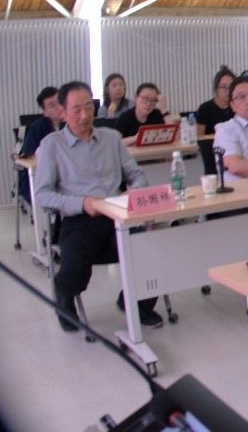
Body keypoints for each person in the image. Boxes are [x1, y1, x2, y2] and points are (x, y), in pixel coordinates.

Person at [34, 81, 162, 331]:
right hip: (79, 220)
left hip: (117, 214)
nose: (84, 115)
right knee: (73, 268)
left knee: (151, 252)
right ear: (62, 112)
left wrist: (135, 190)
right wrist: (81, 203)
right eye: (76, 110)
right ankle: (64, 299)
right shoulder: (52, 145)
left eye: (88, 107)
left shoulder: (111, 138)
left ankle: (135, 303)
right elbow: (42, 195)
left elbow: (136, 174)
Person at [18, 86, 64, 203]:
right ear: (45, 112)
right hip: (38, 179)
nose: (59, 107)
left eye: (60, 101)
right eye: (52, 105)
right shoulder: (37, 128)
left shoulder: (73, 123)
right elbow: (27, 158)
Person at [195, 65, 235, 136]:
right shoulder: (204, 109)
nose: (228, 91)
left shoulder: (237, 107)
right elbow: (199, 137)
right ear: (216, 88)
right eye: (223, 87)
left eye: (231, 87)